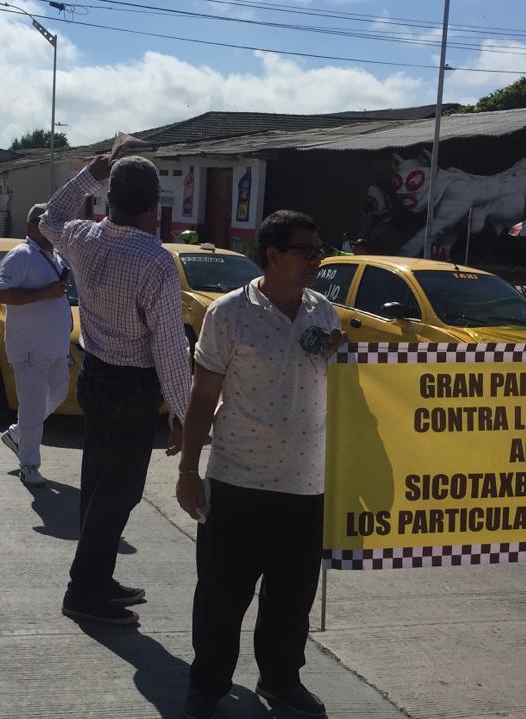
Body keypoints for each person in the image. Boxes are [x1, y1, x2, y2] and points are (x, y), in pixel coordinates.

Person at [177, 210, 345, 719]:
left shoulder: (324, 314)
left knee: (292, 600)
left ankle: (280, 679)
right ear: (273, 256)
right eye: (307, 251)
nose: (317, 260)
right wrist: (187, 470)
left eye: (319, 250)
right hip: (238, 481)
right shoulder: (228, 314)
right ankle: (208, 684)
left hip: (306, 483)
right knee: (222, 598)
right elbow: (203, 396)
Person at [40, 155, 190, 626]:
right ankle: (83, 591)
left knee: (98, 484)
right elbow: (168, 346)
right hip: (133, 387)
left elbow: (49, 217)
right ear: (155, 207)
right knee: (119, 492)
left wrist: (90, 174)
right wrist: (183, 413)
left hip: (95, 377)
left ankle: (98, 578)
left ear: (110, 200)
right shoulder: (156, 261)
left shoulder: (83, 237)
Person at [0, 203, 73, 487]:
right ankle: (29, 463)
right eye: (43, 222)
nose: (50, 227)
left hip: (55, 348)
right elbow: (2, 294)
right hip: (29, 349)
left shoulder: (55, 256)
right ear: (30, 227)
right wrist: (45, 293)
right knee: (32, 407)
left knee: (59, 395)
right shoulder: (21, 255)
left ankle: (17, 434)